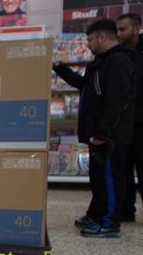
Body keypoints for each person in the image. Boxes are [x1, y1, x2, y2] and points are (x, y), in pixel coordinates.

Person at [53, 19, 136, 237]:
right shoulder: (100, 62)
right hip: (98, 135)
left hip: (110, 136)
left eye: (90, 39)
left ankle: (109, 223)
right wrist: (59, 68)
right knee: (98, 179)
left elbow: (117, 100)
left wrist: (102, 132)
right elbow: (84, 86)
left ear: (102, 37)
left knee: (109, 179)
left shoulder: (118, 61)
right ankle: (98, 215)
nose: (87, 44)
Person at [116, 13, 143, 221]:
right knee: (123, 168)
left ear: (136, 28)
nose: (119, 33)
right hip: (124, 121)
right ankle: (126, 211)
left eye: (123, 29)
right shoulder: (118, 55)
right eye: (117, 29)